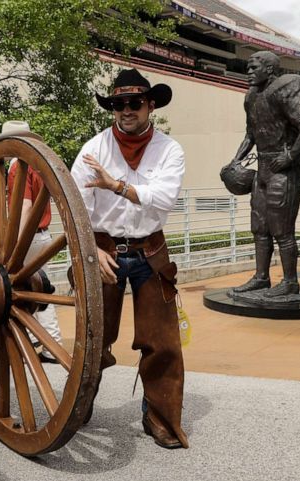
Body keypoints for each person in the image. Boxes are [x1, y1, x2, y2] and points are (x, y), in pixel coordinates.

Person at [70, 68, 189, 449]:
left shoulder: (170, 149)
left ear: (150, 106)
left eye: (134, 103)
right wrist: (92, 252)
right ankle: (79, 404)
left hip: (150, 251)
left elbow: (163, 198)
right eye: (118, 104)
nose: (126, 110)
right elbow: (76, 210)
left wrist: (116, 186)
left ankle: (161, 418)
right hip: (102, 251)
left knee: (163, 342)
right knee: (94, 337)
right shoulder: (93, 149)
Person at [226, 51, 300, 297]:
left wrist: (289, 156)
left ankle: (290, 281)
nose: (248, 72)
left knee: (282, 230)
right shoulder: (251, 97)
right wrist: (235, 161)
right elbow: (251, 134)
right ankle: (261, 277)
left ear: (269, 69)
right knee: (260, 227)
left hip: (285, 168)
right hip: (264, 167)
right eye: (247, 67)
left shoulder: (287, 86)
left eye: (253, 67)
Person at [0, 120, 62, 364]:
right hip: (43, 235)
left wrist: (15, 243)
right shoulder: (38, 164)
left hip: (28, 238)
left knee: (18, 292)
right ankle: (50, 341)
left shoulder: (18, 166)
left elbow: (24, 205)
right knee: (43, 290)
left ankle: (34, 341)